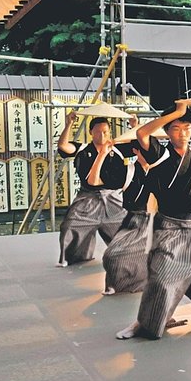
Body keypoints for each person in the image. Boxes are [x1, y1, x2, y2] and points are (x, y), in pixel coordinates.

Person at [117, 102, 191, 340]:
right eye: (176, 128)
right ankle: (144, 323)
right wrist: (176, 112)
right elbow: (142, 134)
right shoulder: (161, 154)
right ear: (167, 132)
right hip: (170, 227)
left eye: (187, 127)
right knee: (161, 277)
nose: (183, 133)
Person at [56, 112, 139, 268]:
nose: (102, 135)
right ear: (91, 132)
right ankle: (74, 257)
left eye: (105, 132)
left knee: (125, 228)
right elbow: (63, 146)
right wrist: (68, 124)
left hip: (113, 198)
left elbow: (140, 144)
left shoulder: (118, 149)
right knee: (70, 225)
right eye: (98, 132)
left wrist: (134, 126)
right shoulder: (82, 148)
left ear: (110, 132)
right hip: (88, 197)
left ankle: (124, 256)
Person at [102, 123, 157, 295]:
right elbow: (103, 179)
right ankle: (120, 283)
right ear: (136, 152)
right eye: (144, 151)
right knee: (113, 254)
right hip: (134, 219)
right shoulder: (129, 171)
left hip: (159, 220)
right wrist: (104, 153)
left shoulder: (163, 171)